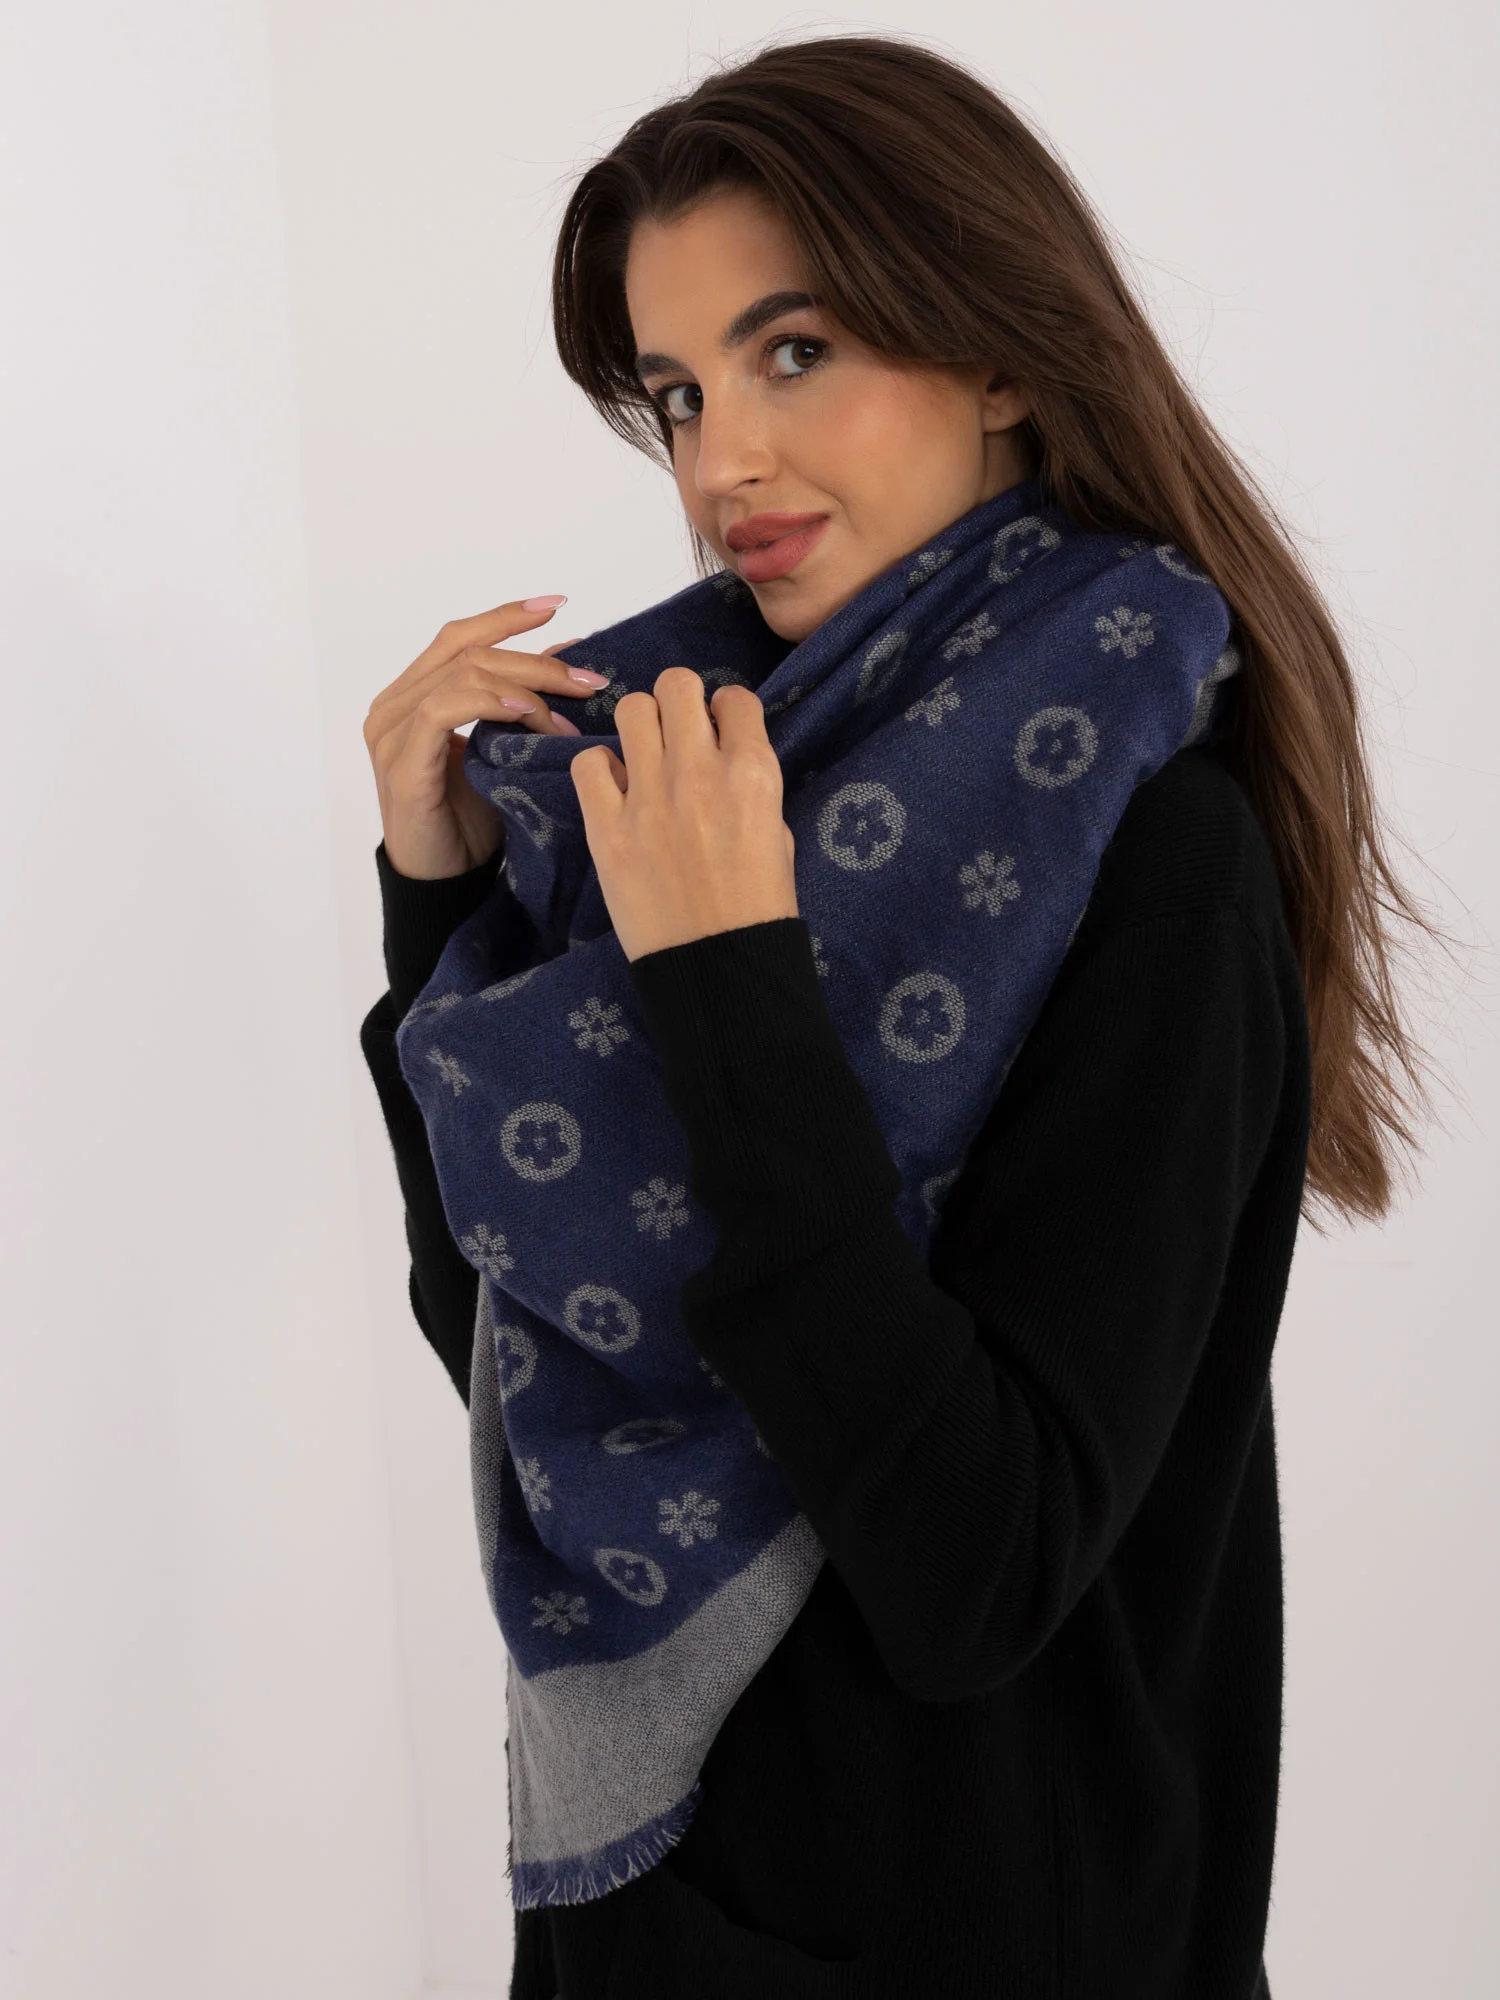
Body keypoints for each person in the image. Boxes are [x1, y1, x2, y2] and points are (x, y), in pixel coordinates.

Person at [359, 34, 1436, 2000]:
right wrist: (437, 893)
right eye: (681, 392)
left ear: (1003, 354)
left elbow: (976, 1570)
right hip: (656, 1922)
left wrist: (727, 981)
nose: (721, 464)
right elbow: (513, 1351)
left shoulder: (1150, 849)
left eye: (795, 352)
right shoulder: (695, 791)